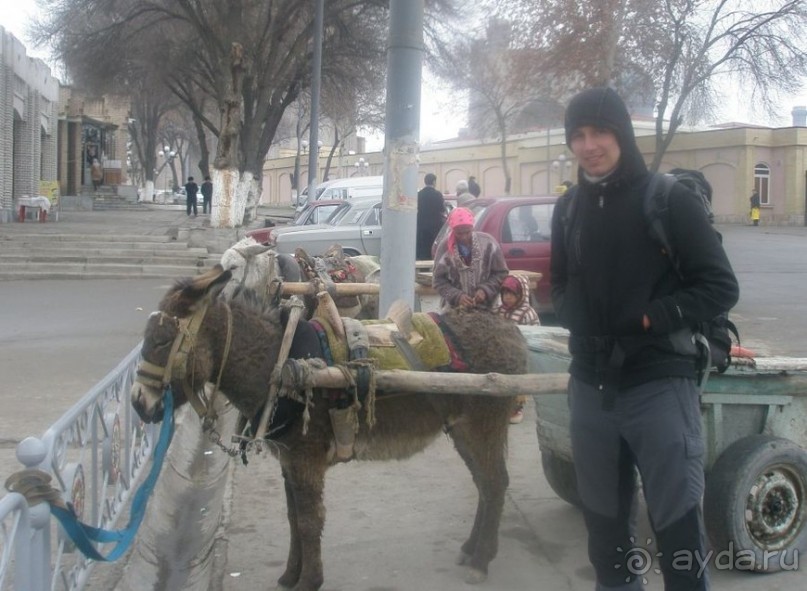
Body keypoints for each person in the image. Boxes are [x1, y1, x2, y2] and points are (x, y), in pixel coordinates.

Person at [550, 87, 739, 591]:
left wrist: (653, 317)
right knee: (605, 537)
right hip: (590, 391)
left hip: (658, 387)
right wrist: (574, 313)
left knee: (677, 535)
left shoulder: (667, 199)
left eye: (601, 132)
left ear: (622, 134)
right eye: (579, 135)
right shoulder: (568, 208)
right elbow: (560, 284)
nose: (589, 145)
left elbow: (720, 286)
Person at [432, 206, 508, 311]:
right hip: (454, 312)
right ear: (452, 230)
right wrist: (457, 296)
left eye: (467, 232)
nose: (464, 237)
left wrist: (485, 290)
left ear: (473, 227)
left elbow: (501, 273)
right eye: (459, 233)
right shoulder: (444, 248)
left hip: (487, 310)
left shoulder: (489, 244)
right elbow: (438, 281)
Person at [496, 273, 539, 424]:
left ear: (522, 294)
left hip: (520, 354)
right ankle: (501, 407)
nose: (507, 297)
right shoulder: (499, 311)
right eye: (505, 293)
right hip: (501, 353)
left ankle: (516, 408)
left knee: (518, 382)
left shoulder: (528, 313)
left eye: (512, 293)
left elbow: (535, 334)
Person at [416, 173, 446, 260]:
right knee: (433, 248)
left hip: (421, 225)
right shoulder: (437, 195)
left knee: (422, 249)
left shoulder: (419, 194)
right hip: (435, 226)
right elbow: (442, 209)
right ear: (434, 182)